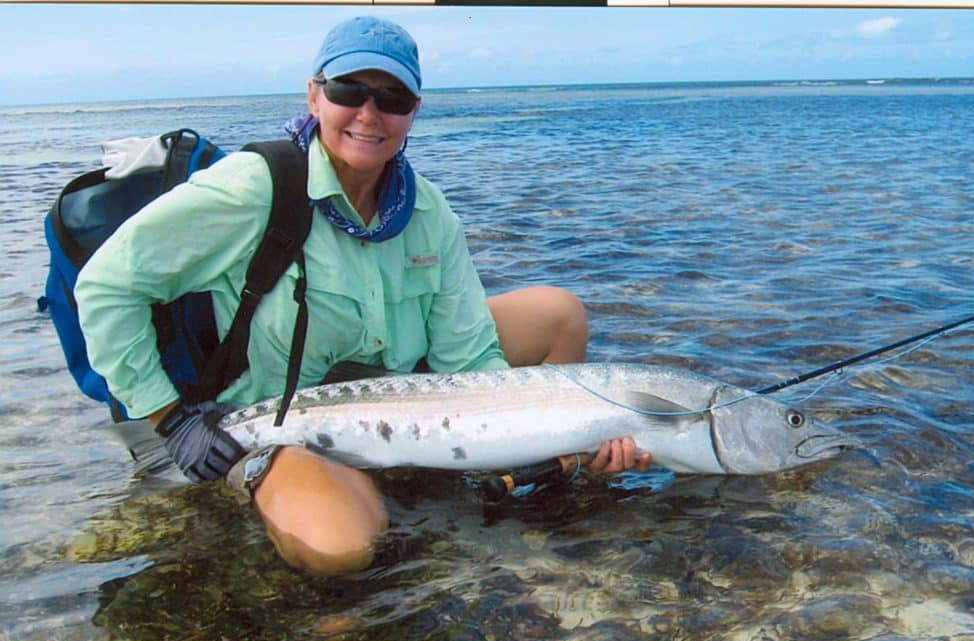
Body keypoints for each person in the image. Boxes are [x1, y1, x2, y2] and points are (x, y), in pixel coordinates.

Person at [76, 16, 651, 576]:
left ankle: (513, 475)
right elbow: (106, 289)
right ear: (315, 96)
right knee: (344, 547)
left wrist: (553, 441)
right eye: (349, 90)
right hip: (280, 423)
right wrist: (172, 420)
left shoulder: (428, 212)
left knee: (557, 314)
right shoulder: (254, 187)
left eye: (393, 98)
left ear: (413, 112)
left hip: (394, 397)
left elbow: (471, 361)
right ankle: (282, 492)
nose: (369, 114)